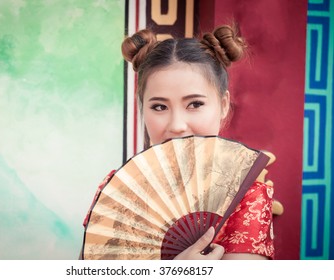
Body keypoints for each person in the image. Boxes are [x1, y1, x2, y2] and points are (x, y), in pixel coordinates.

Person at [82, 24, 274, 260]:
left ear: (223, 105)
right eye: (159, 107)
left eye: (194, 104)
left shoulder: (247, 193)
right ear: (143, 109)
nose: (177, 125)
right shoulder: (117, 191)